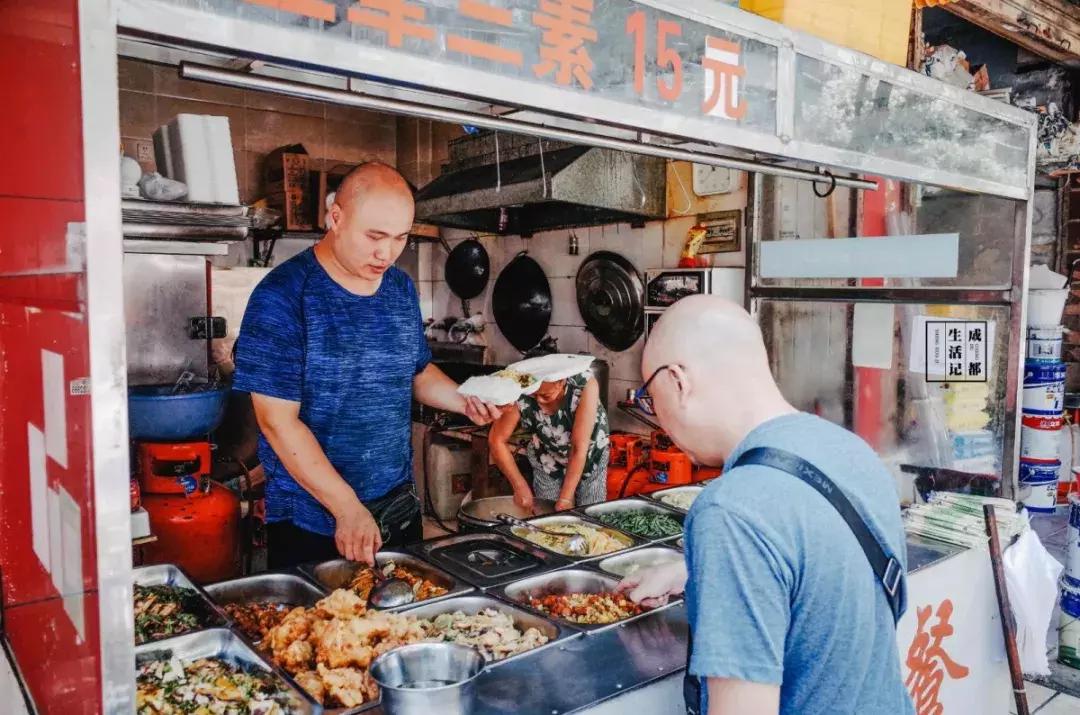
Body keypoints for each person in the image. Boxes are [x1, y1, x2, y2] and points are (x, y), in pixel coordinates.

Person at [618, 295, 913, 715]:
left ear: (679, 382)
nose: (657, 417)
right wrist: (693, 570)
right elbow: (819, 559)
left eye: (651, 398)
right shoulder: (850, 451)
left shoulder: (730, 512)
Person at [233, 162, 500, 569]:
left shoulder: (398, 289)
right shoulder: (283, 297)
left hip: (397, 506)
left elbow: (416, 371)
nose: (386, 253)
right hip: (313, 519)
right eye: (374, 236)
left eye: (400, 238)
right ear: (335, 218)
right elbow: (277, 422)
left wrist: (464, 400)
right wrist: (347, 508)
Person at [488, 372, 610, 512]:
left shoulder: (585, 384)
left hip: (590, 454)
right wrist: (519, 486)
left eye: (546, 396)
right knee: (548, 515)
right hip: (546, 455)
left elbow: (578, 448)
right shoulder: (519, 388)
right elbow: (496, 440)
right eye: (533, 395)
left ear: (561, 381)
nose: (539, 401)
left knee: (591, 515)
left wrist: (565, 499)